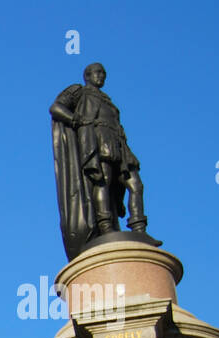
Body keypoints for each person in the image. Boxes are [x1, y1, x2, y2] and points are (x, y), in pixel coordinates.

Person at [50, 63, 155, 260]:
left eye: (104, 73)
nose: (101, 76)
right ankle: (105, 225)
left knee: (135, 184)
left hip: (118, 142)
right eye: (98, 73)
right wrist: (76, 120)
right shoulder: (79, 91)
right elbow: (56, 107)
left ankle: (139, 228)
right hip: (96, 140)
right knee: (102, 180)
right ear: (87, 75)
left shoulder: (108, 100)